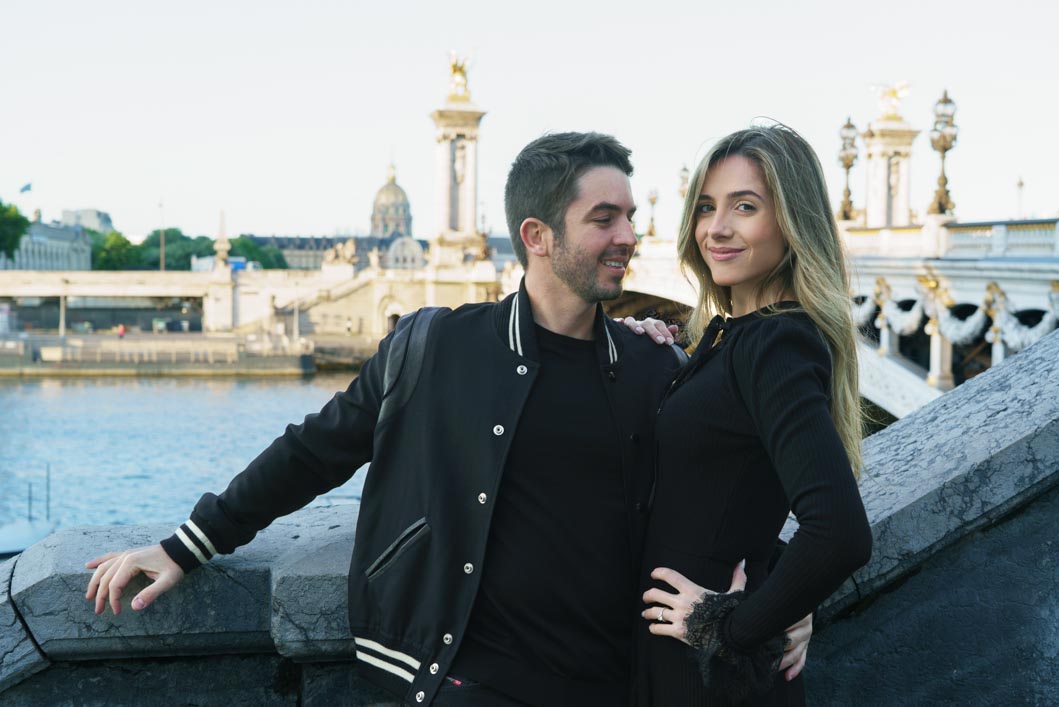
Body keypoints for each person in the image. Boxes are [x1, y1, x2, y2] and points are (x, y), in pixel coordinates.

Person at [84, 132, 811, 707]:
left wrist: (780, 596)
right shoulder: (435, 346)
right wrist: (187, 545)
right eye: (604, 219)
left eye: (630, 216)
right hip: (467, 682)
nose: (629, 235)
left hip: (612, 682)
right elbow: (314, 451)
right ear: (537, 235)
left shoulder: (652, 365)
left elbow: (722, 493)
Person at [631, 125, 872, 705]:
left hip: (705, 676)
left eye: (745, 207)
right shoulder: (732, 338)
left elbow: (840, 532)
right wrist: (777, 591)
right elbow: (737, 494)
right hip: (676, 659)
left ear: (792, 222)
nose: (716, 228)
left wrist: (731, 628)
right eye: (706, 207)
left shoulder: (774, 345)